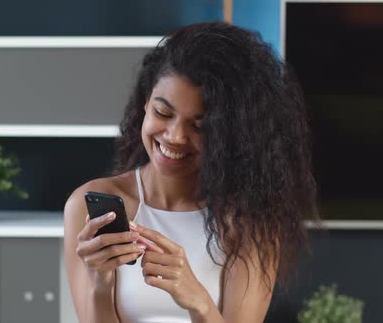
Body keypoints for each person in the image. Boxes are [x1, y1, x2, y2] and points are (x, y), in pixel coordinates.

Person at [63, 21, 319, 323]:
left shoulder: (248, 220)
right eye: (163, 112)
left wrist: (196, 299)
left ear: (230, 133)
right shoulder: (90, 205)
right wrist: (99, 284)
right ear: (145, 102)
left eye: (199, 126)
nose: (174, 136)